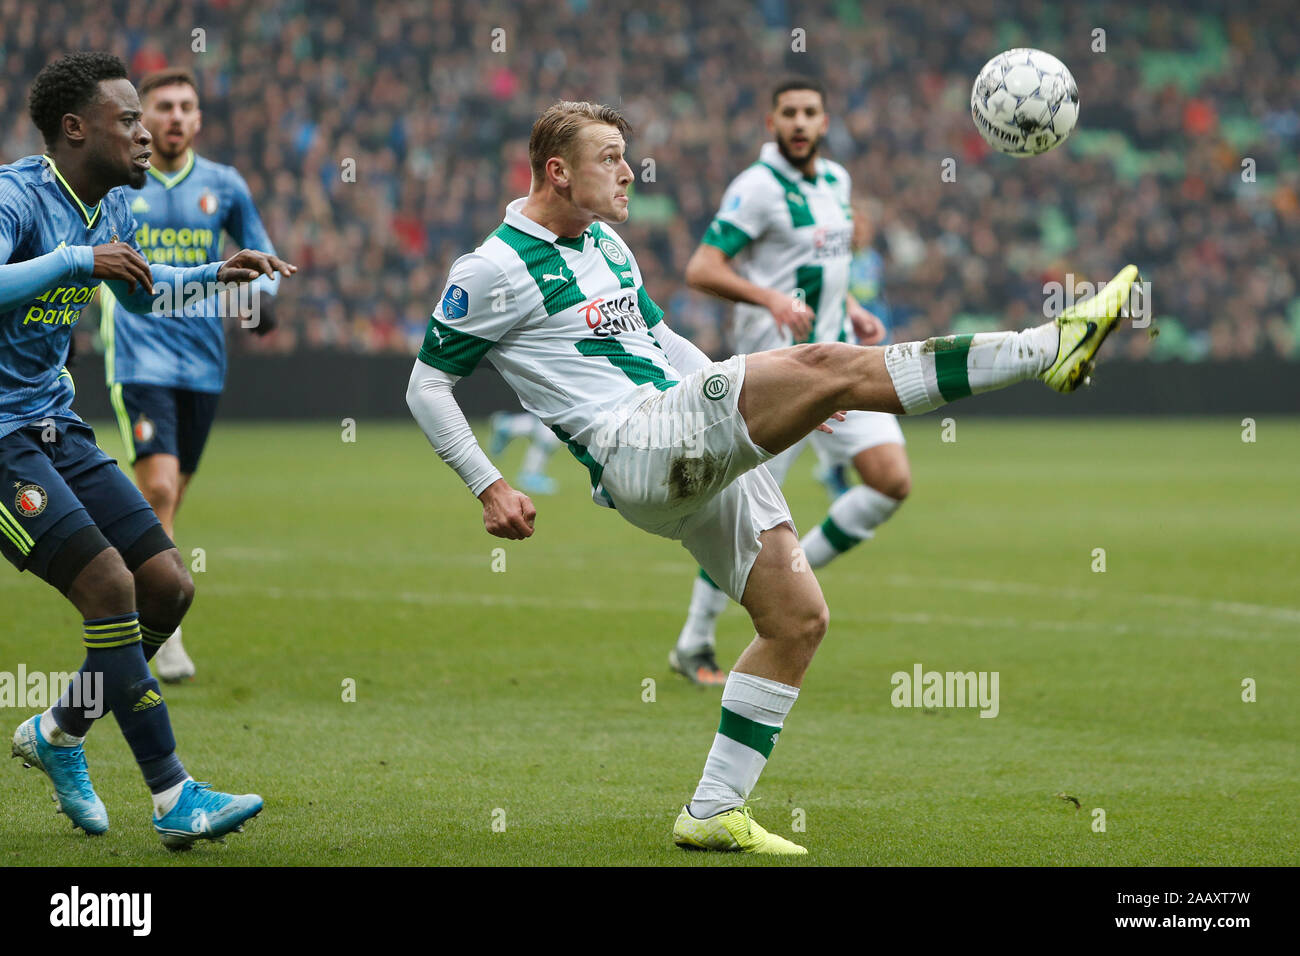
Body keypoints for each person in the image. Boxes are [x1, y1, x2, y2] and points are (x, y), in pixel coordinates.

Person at [406, 100, 1140, 854]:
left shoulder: (605, 245)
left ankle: (712, 810)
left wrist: (766, 401)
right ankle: (1045, 347)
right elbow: (427, 386)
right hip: (638, 446)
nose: (629, 172)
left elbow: (662, 342)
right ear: (557, 172)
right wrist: (489, 484)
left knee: (797, 620)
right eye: (611, 158)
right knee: (827, 364)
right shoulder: (492, 268)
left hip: (681, 441)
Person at [3, 52, 294, 848]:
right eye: (127, 120)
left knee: (165, 587)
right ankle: (174, 797)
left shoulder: (109, 208)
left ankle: (58, 730)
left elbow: (143, 286)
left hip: (54, 423)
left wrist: (219, 274)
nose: (143, 136)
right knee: (108, 586)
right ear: (75, 129)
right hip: (0, 442)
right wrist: (73, 260)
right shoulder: (16, 197)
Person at [669, 78, 914, 686]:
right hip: (776, 372)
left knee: (889, 482)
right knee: (743, 515)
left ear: (825, 121)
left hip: (840, 358)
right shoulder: (756, 188)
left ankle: (795, 571)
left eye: (810, 113)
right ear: (772, 120)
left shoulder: (836, 180)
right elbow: (702, 268)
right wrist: (769, 298)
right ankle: (694, 644)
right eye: (789, 113)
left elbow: (833, 263)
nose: (800, 123)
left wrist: (851, 308)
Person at [101, 66, 283, 682]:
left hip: (204, 363)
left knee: (171, 494)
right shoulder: (121, 184)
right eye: (164, 107)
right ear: (142, 118)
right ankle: (164, 627)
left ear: (199, 119)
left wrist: (266, 299)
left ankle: (134, 598)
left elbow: (261, 252)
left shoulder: (224, 185)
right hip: (138, 353)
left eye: (186, 107)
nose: (176, 117)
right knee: (157, 490)